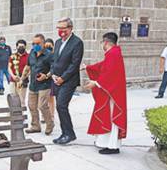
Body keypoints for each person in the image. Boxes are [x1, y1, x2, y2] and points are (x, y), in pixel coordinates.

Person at [83, 32, 127, 155]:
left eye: (102, 42)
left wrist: (95, 83)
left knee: (111, 117)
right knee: (109, 116)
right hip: (112, 92)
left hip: (113, 93)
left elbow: (109, 74)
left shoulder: (113, 54)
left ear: (106, 42)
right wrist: (89, 67)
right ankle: (109, 144)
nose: (102, 44)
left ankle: (112, 146)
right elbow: (103, 66)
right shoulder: (113, 53)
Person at [50, 17, 84, 145]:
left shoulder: (77, 43)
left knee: (61, 105)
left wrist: (62, 78)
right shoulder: (58, 42)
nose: (61, 31)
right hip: (56, 79)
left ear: (70, 28)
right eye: (59, 29)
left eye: (64, 28)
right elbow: (54, 60)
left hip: (68, 80)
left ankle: (69, 134)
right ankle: (64, 133)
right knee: (60, 107)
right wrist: (53, 74)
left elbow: (74, 64)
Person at [25, 33, 54, 135]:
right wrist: (22, 78)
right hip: (33, 84)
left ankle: (50, 124)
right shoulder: (32, 53)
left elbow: (54, 69)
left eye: (37, 43)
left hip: (44, 84)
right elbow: (28, 67)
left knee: (42, 106)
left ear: (43, 43)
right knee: (31, 105)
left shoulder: (49, 55)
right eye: (33, 43)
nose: (35, 45)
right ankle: (35, 126)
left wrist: (46, 76)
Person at [9, 39, 29, 106]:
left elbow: (30, 69)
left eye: (22, 46)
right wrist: (13, 76)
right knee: (12, 99)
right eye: (19, 46)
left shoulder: (28, 56)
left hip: (23, 80)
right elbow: (9, 67)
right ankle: (12, 115)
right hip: (13, 80)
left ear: (25, 47)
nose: (21, 48)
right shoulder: (12, 56)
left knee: (22, 100)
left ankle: (22, 115)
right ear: (17, 47)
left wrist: (23, 78)